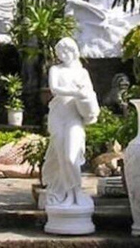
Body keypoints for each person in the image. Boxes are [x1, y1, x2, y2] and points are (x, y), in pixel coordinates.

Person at [42, 37, 99, 207]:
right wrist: (76, 92)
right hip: (59, 115)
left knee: (70, 155)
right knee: (60, 156)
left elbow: (89, 93)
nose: (63, 54)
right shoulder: (55, 70)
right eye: (60, 51)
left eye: (67, 50)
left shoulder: (82, 73)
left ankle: (76, 192)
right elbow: (54, 89)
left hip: (74, 117)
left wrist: (83, 96)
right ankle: (65, 194)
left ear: (74, 51)